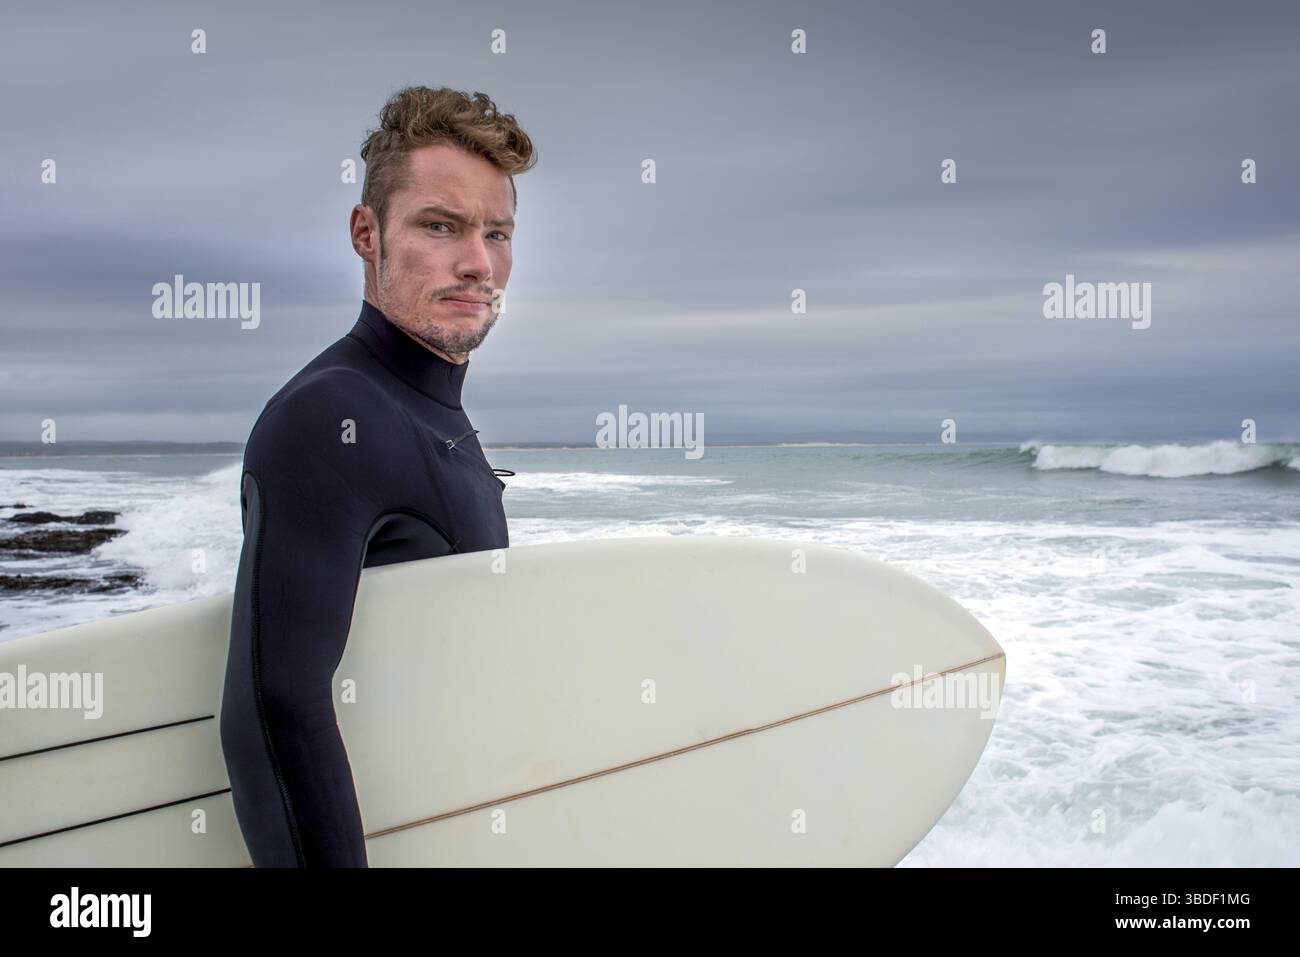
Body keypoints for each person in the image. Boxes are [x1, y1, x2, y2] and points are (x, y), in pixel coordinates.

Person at [219, 86, 536, 867]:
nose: (478, 262)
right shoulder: (329, 418)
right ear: (367, 233)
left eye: (497, 232)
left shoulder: (432, 417)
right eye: (441, 225)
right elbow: (274, 709)